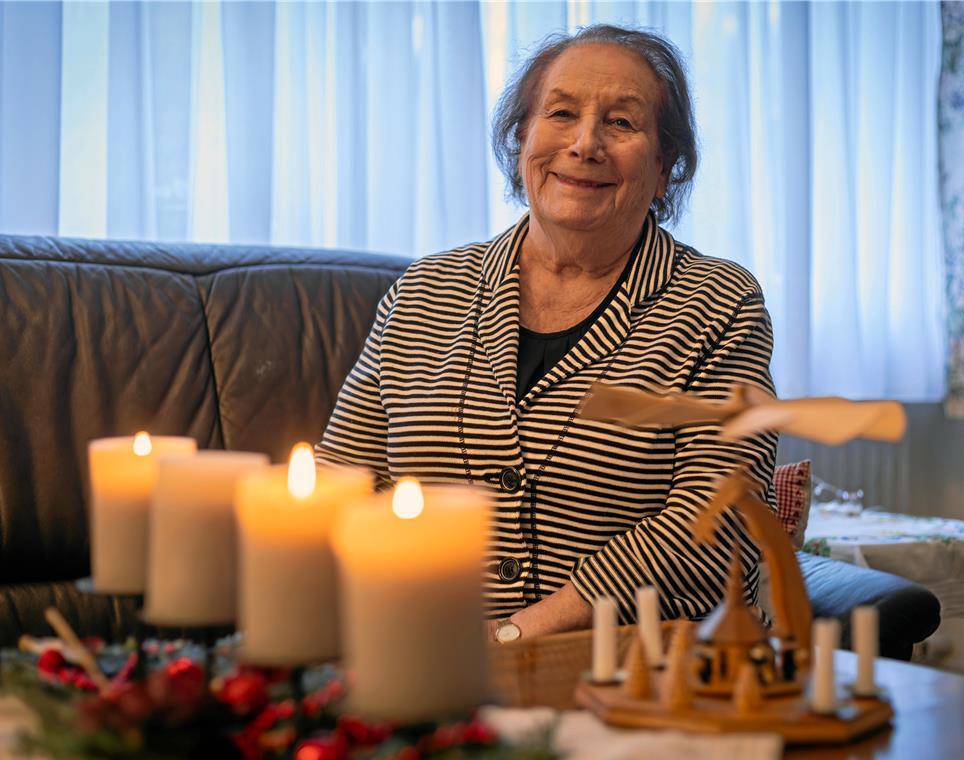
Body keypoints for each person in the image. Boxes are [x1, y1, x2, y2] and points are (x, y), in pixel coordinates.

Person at [318, 24, 776, 643]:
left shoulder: (718, 303)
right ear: (520, 144)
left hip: (635, 671)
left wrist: (515, 634)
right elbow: (341, 483)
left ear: (666, 168)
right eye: (561, 113)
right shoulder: (425, 290)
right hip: (423, 658)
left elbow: (720, 518)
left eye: (621, 123)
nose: (585, 143)